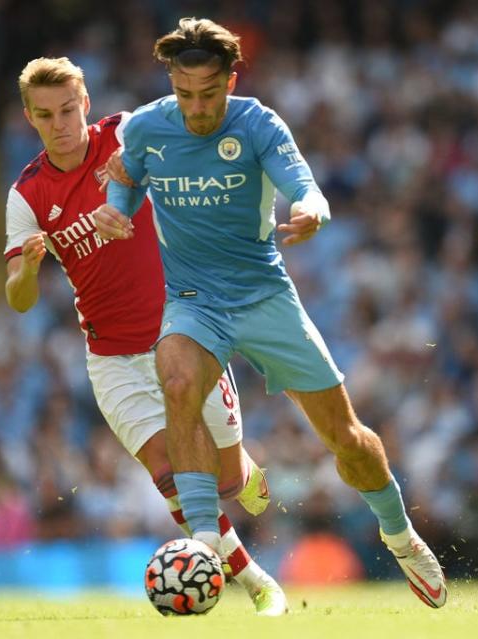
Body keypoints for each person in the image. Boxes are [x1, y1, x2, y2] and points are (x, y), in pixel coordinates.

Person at [93, 17, 447, 608]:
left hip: (264, 297)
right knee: (176, 378)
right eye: (185, 94)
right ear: (171, 84)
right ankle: (205, 538)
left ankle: (399, 533)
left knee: (347, 440)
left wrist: (312, 210)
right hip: (193, 301)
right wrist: (114, 210)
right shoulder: (149, 126)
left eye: (209, 94)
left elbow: (304, 186)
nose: (197, 108)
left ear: (231, 80)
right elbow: (126, 181)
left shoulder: (257, 123)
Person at [3, 56, 287, 615]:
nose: (59, 124)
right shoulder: (27, 195)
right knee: (172, 477)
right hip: (112, 356)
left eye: (67, 110)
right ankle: (257, 584)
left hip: (183, 330)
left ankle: (245, 470)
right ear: (29, 118)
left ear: (85, 103)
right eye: (45, 115)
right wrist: (28, 269)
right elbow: (19, 298)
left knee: (226, 479)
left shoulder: (129, 134)